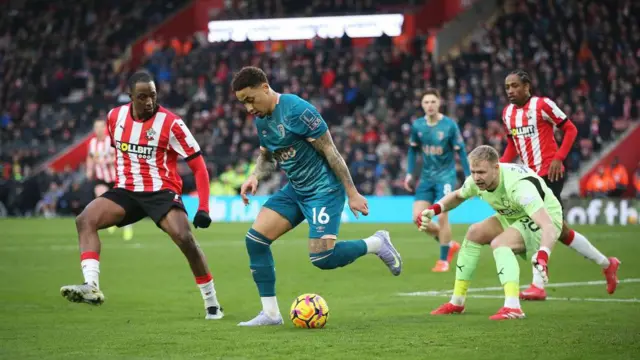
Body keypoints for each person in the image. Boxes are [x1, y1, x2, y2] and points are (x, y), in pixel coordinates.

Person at [231, 66, 402, 327]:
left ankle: (377, 243)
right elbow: (267, 155)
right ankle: (271, 314)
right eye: (243, 103)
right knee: (255, 241)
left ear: (265, 88)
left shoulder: (298, 110)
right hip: (296, 190)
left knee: (322, 258)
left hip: (324, 190)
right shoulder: (262, 120)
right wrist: (255, 176)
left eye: (250, 100)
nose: (248, 108)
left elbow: (331, 151)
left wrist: (352, 192)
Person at [60, 70, 223, 320]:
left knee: (184, 238)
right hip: (126, 191)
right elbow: (121, 155)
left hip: (161, 191)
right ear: (130, 97)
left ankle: (212, 303)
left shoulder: (172, 123)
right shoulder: (115, 117)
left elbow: (199, 166)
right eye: (142, 96)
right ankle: (91, 286)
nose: (149, 101)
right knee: (85, 219)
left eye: (153, 96)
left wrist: (204, 208)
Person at [501, 69, 620, 300]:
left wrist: (558, 158)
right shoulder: (507, 114)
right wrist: (499, 167)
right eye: (507, 87)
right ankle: (607, 264)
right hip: (528, 177)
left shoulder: (543, 105)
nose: (511, 91)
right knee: (560, 230)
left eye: (515, 86)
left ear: (527, 86)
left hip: (549, 173)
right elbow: (512, 146)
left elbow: (570, 129)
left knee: (536, 224)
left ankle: (538, 285)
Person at [420, 145, 562, 320]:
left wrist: (544, 253)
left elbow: (548, 226)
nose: (477, 177)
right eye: (473, 172)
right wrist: (434, 209)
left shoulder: (519, 187)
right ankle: (457, 301)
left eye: (481, 172)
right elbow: (458, 196)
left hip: (544, 217)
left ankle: (513, 307)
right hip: (513, 213)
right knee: (474, 232)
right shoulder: (476, 180)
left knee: (500, 244)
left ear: (496, 168)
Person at [405, 89, 470, 272]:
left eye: (433, 101)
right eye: (426, 102)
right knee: (417, 219)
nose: (430, 105)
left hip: (445, 178)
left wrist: (468, 175)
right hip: (426, 178)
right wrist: (410, 173)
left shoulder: (449, 125)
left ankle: (443, 260)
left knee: (442, 215)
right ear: (422, 105)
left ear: (439, 103)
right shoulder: (418, 126)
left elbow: (461, 151)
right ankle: (449, 245)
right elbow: (412, 150)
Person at [86, 119, 133, 241]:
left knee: (122, 204)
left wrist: (106, 161)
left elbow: (119, 156)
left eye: (101, 127)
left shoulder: (110, 141)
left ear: (105, 128)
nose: (99, 130)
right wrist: (89, 170)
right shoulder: (92, 143)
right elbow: (91, 157)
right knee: (101, 198)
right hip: (101, 178)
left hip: (116, 177)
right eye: (96, 127)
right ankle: (110, 221)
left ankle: (127, 227)